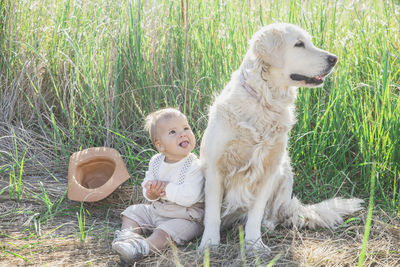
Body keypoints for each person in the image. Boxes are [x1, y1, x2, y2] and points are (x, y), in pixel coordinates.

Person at [112, 108, 204, 264]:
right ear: (160, 146)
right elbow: (146, 185)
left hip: (186, 217)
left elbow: (191, 196)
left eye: (186, 128)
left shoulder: (194, 165)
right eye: (173, 132)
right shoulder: (156, 161)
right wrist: (151, 193)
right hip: (157, 211)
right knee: (132, 212)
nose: (182, 134)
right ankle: (127, 236)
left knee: (164, 234)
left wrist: (165, 188)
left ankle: (141, 248)